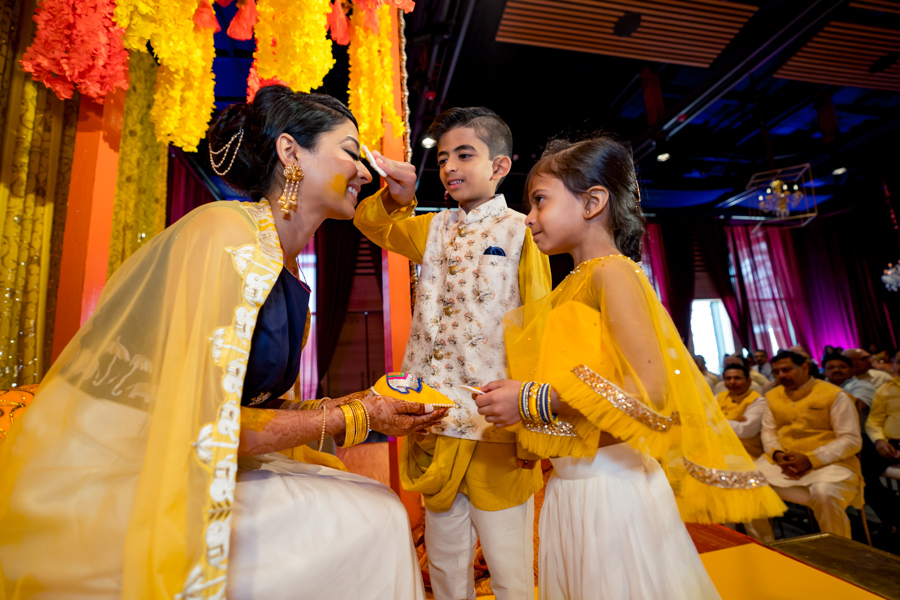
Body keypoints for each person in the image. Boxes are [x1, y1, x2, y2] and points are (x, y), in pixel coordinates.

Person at [0, 86, 448, 599]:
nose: (367, 172)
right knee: (374, 519)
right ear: (289, 151)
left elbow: (247, 401)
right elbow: (199, 419)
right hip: (127, 469)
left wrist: (368, 406)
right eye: (352, 152)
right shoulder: (226, 236)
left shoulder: (279, 268)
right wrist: (360, 415)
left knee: (371, 503)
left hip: (207, 453)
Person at [473, 135, 784, 600]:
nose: (530, 218)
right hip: (573, 488)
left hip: (611, 491)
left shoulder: (612, 272)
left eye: (539, 201)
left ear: (593, 201)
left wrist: (533, 399)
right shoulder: (574, 284)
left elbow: (647, 389)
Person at [354, 107, 552, 600]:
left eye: (465, 154)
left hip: (494, 426)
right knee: (443, 565)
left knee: (509, 569)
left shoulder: (522, 231)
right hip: (433, 418)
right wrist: (397, 196)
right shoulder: (434, 227)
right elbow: (372, 224)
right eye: (443, 158)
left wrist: (530, 420)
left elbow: (538, 327)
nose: (449, 167)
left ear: (500, 167)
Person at [755, 351, 863, 539]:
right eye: (776, 372)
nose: (782, 376)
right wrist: (777, 454)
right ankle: (763, 546)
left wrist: (812, 459)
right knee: (743, 482)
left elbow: (851, 440)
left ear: (805, 367)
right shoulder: (772, 396)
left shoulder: (834, 395)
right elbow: (768, 432)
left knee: (824, 493)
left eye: (787, 370)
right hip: (783, 463)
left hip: (830, 464)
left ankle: (840, 555)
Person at [862, 352, 900, 544]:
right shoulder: (885, 389)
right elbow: (874, 421)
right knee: (861, 473)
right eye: (899, 362)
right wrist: (879, 440)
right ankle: (892, 517)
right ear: (893, 364)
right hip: (892, 444)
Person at [718, 363, 766, 459]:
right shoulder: (719, 397)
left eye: (737, 378)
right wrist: (735, 422)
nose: (732, 382)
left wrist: (716, 422)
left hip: (746, 453)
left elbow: (745, 430)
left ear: (749, 381)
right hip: (719, 448)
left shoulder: (758, 401)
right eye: (728, 378)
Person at [823, 353, 876, 420]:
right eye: (831, 367)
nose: (836, 370)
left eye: (842, 367)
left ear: (851, 370)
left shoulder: (862, 386)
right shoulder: (818, 387)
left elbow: (857, 406)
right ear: (824, 372)